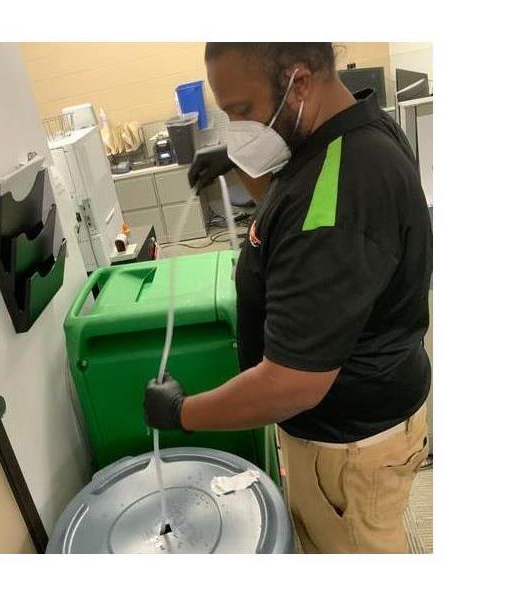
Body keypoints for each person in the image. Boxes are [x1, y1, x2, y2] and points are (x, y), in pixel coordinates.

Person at [143, 42, 432, 553]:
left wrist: (181, 413)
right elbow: (286, 219)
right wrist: (241, 163)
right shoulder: (345, 132)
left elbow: (292, 383)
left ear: (298, 83)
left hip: (349, 450)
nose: (237, 129)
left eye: (243, 112)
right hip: (357, 421)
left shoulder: (338, 203)